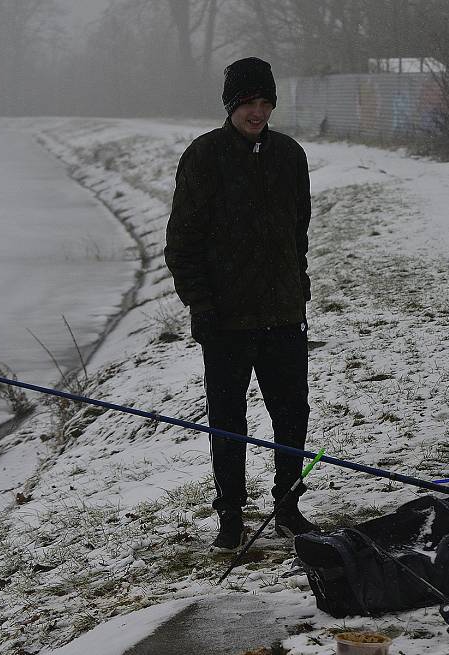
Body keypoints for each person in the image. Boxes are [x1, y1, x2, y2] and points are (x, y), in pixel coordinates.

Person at [165, 57, 317, 551]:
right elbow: (182, 243)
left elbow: (299, 232)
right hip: (226, 321)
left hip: (283, 317)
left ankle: (289, 507)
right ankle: (230, 515)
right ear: (232, 105)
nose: (257, 112)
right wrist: (201, 305)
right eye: (248, 103)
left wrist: (300, 286)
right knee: (228, 423)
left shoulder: (290, 155)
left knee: (292, 415)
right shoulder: (204, 157)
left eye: (265, 102)